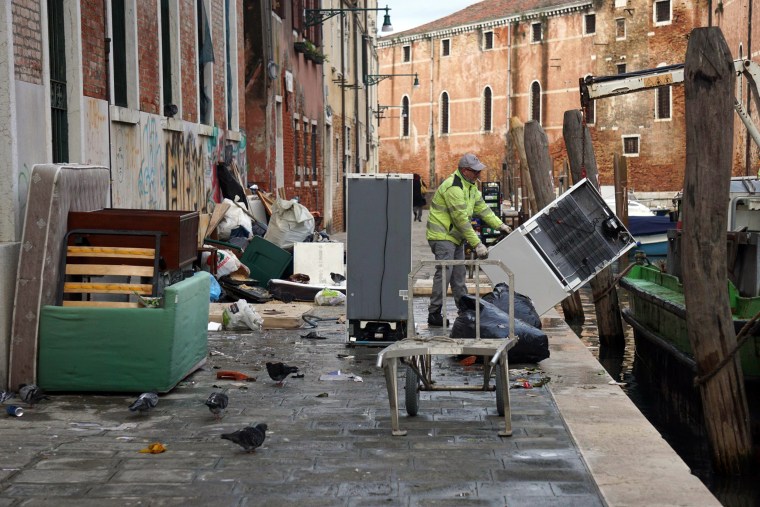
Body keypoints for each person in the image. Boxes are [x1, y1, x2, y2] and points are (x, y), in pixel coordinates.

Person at [425, 153, 512, 326]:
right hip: (442, 236)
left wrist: (501, 226)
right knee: (445, 273)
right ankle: (434, 313)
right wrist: (477, 244)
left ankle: (464, 311)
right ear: (465, 171)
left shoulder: (471, 187)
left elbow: (484, 210)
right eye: (475, 171)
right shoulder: (454, 188)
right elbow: (461, 221)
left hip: (454, 237)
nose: (479, 174)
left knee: (459, 275)